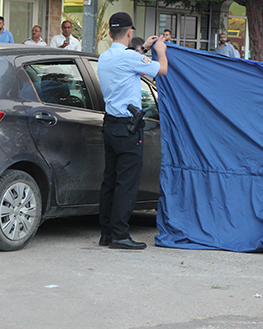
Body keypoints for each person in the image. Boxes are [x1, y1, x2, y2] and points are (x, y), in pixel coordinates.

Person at [97, 12, 168, 249]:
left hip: (110, 126)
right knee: (126, 184)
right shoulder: (129, 58)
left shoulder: (105, 57)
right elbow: (162, 70)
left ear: (109, 33)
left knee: (110, 180)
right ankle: (120, 235)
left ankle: (106, 233)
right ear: (130, 33)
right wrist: (161, 50)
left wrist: (143, 49)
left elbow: (129, 62)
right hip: (128, 130)